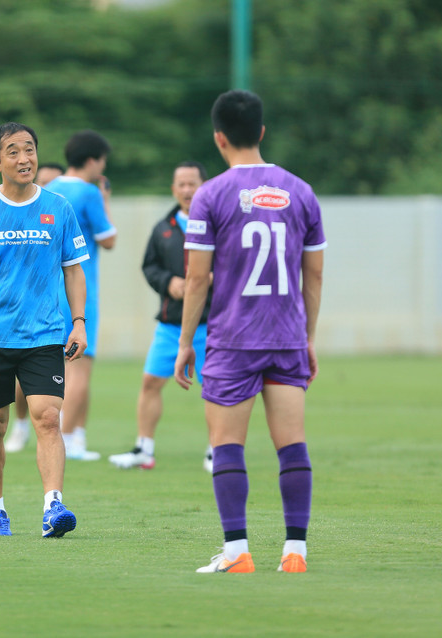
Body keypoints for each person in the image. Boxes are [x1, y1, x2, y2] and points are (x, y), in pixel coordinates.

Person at [175, 89, 325, 574]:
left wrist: (184, 343)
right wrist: (308, 337)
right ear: (261, 131)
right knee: (292, 445)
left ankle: (238, 552)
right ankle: (296, 553)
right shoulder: (301, 191)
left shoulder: (211, 195)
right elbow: (314, 274)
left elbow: (197, 278)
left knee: (227, 447)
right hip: (285, 338)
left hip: (233, 340)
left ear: (219, 138)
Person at [0, 122, 89, 538]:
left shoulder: (58, 207)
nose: (24, 158)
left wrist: (78, 322)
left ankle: (53, 506)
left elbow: (73, 271)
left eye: (29, 149)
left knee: (47, 418)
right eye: (13, 151)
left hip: (44, 334)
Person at [108, 161, 212, 471]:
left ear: (204, 186)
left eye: (192, 183)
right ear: (173, 189)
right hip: (171, 325)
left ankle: (217, 451)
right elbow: (149, 268)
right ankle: (144, 448)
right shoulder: (163, 227)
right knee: (151, 382)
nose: (186, 190)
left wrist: (208, 280)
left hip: (213, 325)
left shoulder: (219, 224)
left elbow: (236, 264)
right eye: (180, 184)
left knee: (216, 388)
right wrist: (170, 283)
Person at [44, 131, 116, 460]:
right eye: (101, 161)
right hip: (81, 289)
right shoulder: (89, 192)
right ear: (92, 161)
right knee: (80, 367)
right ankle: (67, 438)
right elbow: (109, 239)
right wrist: (106, 199)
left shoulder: (49, 189)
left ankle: (76, 438)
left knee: (60, 365)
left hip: (50, 288)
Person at [4, 161, 66, 454]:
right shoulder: (10, 212)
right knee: (18, 383)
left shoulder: (61, 210)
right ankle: (20, 425)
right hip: (12, 318)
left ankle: (63, 428)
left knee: (51, 403)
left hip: (53, 316)